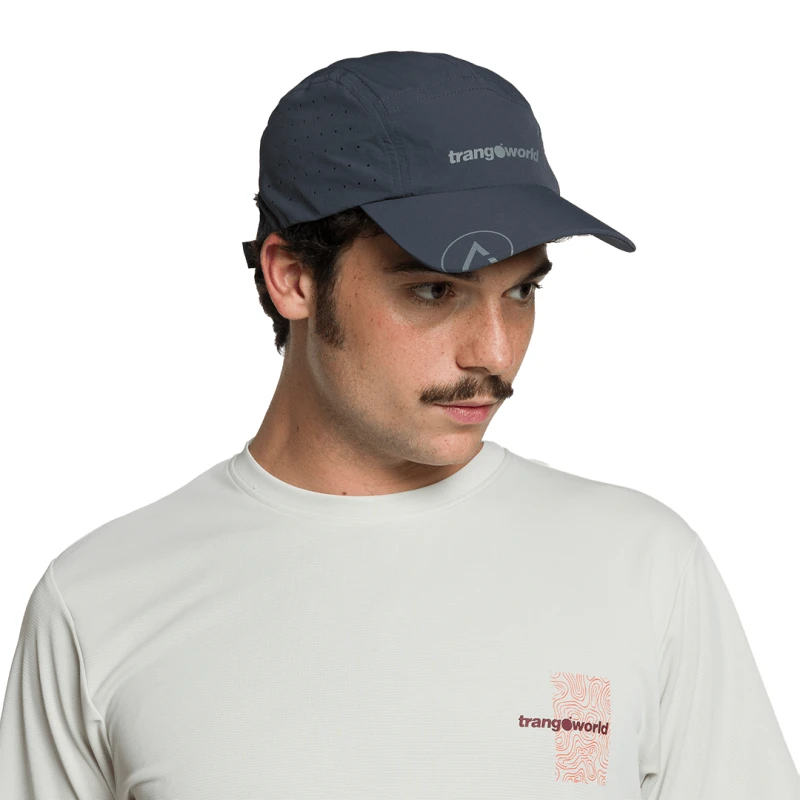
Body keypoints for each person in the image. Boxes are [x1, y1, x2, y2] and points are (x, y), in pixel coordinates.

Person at [1, 50, 797, 800]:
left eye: (521, 292)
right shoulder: (100, 603)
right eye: (435, 291)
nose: (495, 353)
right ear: (292, 278)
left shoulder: (643, 567)